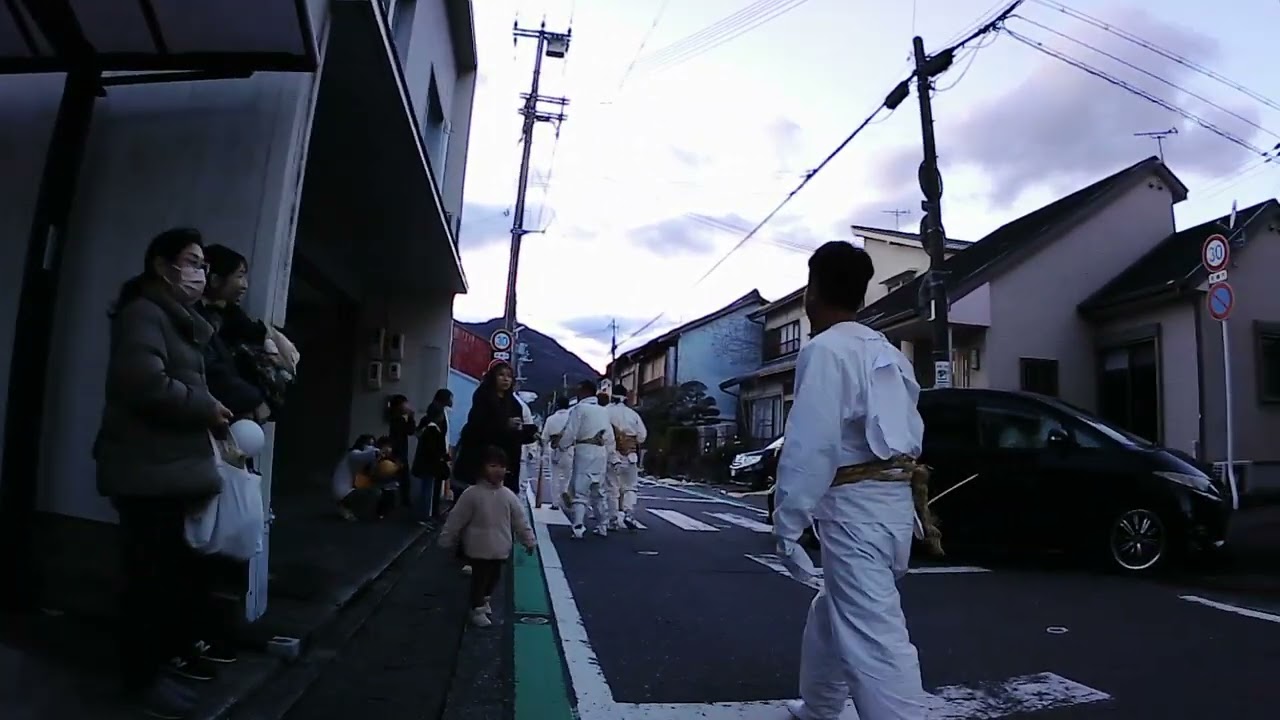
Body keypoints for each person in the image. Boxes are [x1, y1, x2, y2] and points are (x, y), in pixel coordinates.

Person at [773, 241, 935, 720]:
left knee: (876, 639)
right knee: (836, 611)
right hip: (891, 510)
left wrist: (786, 526)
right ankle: (820, 705)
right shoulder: (889, 353)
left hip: (855, 513)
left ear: (814, 290)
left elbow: (810, 447)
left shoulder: (825, 351)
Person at [95, 228, 233, 719]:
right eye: (191, 261)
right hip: (146, 469)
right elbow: (144, 383)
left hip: (165, 468)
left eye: (202, 264)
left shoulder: (174, 319)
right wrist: (206, 409)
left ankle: (153, 669)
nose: (200, 273)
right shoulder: (144, 314)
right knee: (147, 579)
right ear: (162, 265)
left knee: (165, 576)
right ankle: (139, 679)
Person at [437, 446, 536, 627]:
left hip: (500, 548)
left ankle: (484, 600)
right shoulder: (472, 494)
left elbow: (520, 520)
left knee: (493, 578)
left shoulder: (508, 496)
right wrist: (447, 538)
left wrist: (528, 540)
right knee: (480, 579)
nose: (498, 470)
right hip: (477, 547)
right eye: (492, 465)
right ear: (481, 468)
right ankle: (477, 608)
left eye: (501, 466)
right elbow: (456, 519)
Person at [455, 361, 532, 494]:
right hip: (481, 457)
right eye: (501, 375)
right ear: (493, 377)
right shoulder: (482, 397)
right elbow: (477, 426)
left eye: (509, 376)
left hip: (506, 460)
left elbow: (515, 435)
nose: (505, 379)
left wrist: (528, 432)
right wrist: (505, 424)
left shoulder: (514, 404)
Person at [556, 380, 614, 539]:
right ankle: (603, 525)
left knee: (580, 490)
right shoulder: (603, 411)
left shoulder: (579, 408)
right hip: (601, 451)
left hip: (584, 450)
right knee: (598, 489)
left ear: (583, 391)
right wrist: (612, 455)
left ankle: (578, 526)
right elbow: (610, 436)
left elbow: (570, 431)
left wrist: (561, 446)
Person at [605, 384, 648, 530]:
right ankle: (628, 513)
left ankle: (612, 519)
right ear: (626, 397)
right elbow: (642, 436)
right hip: (630, 454)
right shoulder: (633, 414)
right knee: (630, 487)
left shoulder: (605, 412)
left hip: (611, 453)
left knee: (612, 487)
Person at [411, 403, 451, 523]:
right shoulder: (433, 430)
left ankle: (422, 515)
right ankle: (425, 516)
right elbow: (433, 449)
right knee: (427, 491)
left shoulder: (425, 427)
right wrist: (443, 457)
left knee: (424, 490)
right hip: (429, 465)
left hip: (423, 464)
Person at [333, 434, 380, 521]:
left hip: (346, 489)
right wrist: (379, 452)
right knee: (375, 492)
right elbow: (366, 455)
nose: (370, 447)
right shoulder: (353, 455)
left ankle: (348, 507)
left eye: (372, 444)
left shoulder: (355, 458)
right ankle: (346, 507)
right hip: (343, 491)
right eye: (368, 444)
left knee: (372, 487)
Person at [386, 394, 416, 509]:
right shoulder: (397, 420)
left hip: (398, 452)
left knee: (399, 479)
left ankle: (398, 502)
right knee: (401, 479)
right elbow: (410, 431)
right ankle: (402, 502)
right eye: (405, 403)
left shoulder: (397, 418)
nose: (408, 405)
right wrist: (411, 417)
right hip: (399, 453)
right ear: (399, 405)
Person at [541, 397, 572, 510]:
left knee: (554, 477)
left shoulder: (550, 419)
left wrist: (543, 451)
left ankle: (555, 503)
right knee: (569, 477)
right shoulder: (572, 418)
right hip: (570, 449)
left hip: (555, 450)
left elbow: (544, 438)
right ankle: (566, 493)